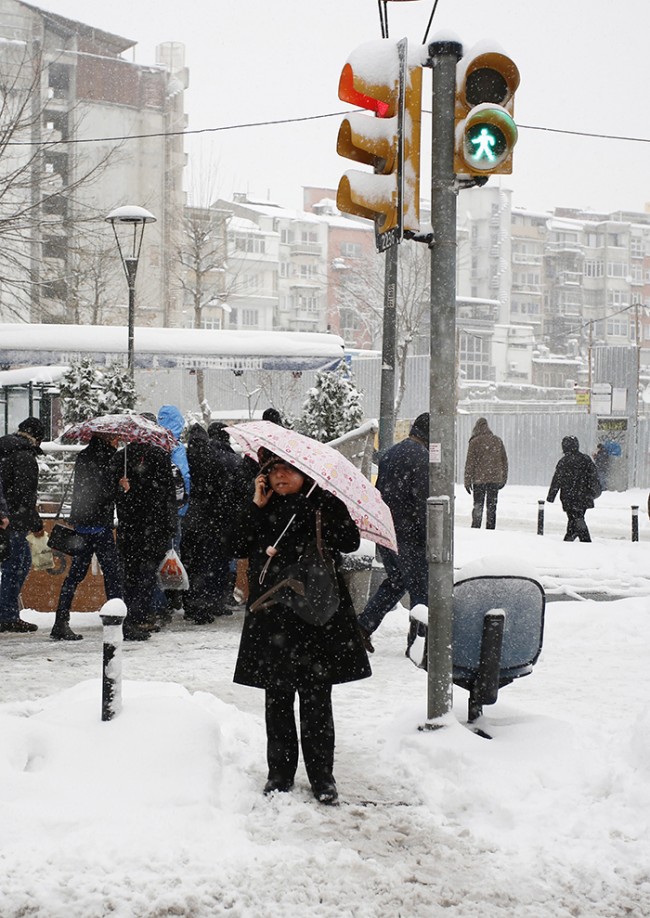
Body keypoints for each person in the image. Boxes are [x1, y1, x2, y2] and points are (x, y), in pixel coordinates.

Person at [230, 454, 371, 805]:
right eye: (272, 471)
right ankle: (279, 775)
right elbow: (235, 545)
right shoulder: (262, 506)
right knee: (277, 699)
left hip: (316, 616)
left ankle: (322, 777)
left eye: (286, 470)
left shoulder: (321, 502)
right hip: (272, 614)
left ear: (303, 473)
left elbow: (350, 541)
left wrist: (322, 507)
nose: (279, 476)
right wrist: (255, 506)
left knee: (316, 700)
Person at [356, 413, 429, 655]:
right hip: (409, 535)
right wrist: (428, 536)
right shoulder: (422, 458)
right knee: (421, 590)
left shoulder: (390, 453)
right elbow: (422, 500)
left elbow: (379, 492)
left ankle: (363, 626)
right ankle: (418, 644)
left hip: (388, 530)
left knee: (397, 582)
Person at [51, 434, 123, 641]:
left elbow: (86, 489)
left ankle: (61, 621)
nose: (117, 439)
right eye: (115, 436)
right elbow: (104, 492)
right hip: (99, 525)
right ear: (107, 438)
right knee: (112, 574)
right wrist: (121, 486)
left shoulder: (83, 456)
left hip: (82, 523)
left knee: (75, 575)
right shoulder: (111, 457)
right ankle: (117, 623)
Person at [112, 441, 178, 640]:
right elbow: (169, 495)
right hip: (154, 528)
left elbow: (113, 494)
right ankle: (139, 616)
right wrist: (170, 525)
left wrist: (124, 489)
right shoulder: (160, 456)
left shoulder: (121, 458)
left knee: (130, 574)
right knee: (147, 574)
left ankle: (132, 616)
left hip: (129, 528)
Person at [182, 424, 245, 623]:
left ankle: (195, 605)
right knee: (218, 563)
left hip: (194, 518)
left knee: (196, 564)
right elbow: (241, 489)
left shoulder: (190, 457)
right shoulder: (231, 459)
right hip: (222, 520)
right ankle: (215, 602)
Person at [0, 417, 46, 634]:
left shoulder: (5, 448)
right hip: (13, 521)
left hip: (5, 516)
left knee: (13, 564)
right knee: (16, 566)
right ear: (36, 438)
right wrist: (36, 523)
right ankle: (7, 615)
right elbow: (24, 495)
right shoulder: (24, 456)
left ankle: (6, 612)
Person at [547, 436, 602, 542]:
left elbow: (556, 481)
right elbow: (594, 477)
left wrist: (551, 496)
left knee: (576, 519)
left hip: (569, 497)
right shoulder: (586, 459)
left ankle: (584, 541)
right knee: (576, 519)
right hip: (584, 496)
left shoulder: (563, 462)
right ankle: (570, 539)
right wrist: (593, 491)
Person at [463, 418, 509, 529]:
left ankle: (476, 527)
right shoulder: (497, 441)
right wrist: (503, 478)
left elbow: (470, 463)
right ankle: (490, 527)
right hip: (494, 480)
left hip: (479, 480)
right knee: (492, 506)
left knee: (478, 505)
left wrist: (467, 481)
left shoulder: (474, 442)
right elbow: (504, 461)